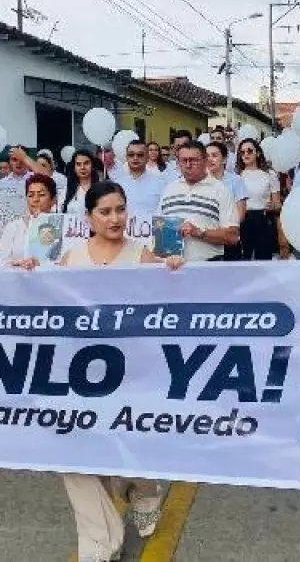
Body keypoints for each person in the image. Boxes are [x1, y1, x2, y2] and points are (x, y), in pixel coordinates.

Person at [52, 182, 184, 562]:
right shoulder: (71, 259)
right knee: (72, 456)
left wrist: (173, 269)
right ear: (89, 217)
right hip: (78, 377)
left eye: (120, 209)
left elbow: (178, 297)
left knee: (126, 447)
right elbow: (43, 299)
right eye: (105, 211)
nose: (115, 218)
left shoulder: (141, 256)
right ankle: (99, 542)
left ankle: (144, 489)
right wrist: (26, 270)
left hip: (132, 375)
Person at [158, 141, 239, 262]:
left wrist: (199, 232)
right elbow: (158, 228)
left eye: (194, 160)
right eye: (183, 160)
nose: (188, 165)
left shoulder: (221, 190)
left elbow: (233, 236)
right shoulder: (169, 189)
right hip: (171, 267)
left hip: (207, 266)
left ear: (205, 161)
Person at [0, 174, 59, 267]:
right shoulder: (13, 227)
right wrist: (19, 263)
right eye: (30, 195)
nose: (35, 199)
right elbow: (2, 263)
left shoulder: (62, 226)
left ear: (53, 199)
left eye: (41, 195)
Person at [235, 139, 281, 261]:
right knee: (243, 261)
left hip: (263, 219)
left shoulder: (269, 174)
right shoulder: (236, 176)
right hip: (242, 221)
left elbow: (278, 204)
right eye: (242, 152)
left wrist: (273, 206)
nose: (246, 154)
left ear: (258, 153)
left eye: (249, 151)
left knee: (264, 261)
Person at [114, 140, 164, 214]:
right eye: (131, 155)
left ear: (147, 157)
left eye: (140, 155)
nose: (135, 158)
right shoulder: (117, 184)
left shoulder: (160, 183)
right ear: (126, 157)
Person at [63, 149, 99, 215]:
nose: (82, 167)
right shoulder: (66, 190)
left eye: (86, 163)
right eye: (78, 164)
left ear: (92, 165)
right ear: (74, 167)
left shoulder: (101, 188)